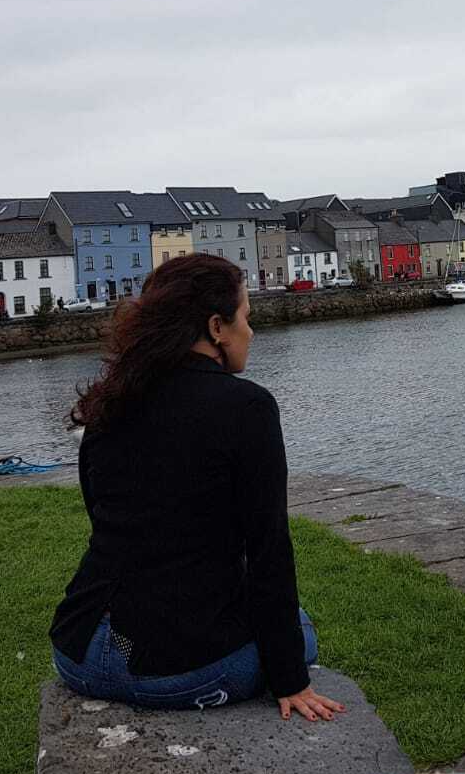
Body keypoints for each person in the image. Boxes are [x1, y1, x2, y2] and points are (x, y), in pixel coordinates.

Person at [49, 254, 344, 722]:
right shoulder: (247, 407)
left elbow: (103, 519)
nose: (251, 332)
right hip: (177, 670)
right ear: (216, 328)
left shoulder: (110, 401)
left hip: (78, 654)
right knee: (299, 627)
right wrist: (290, 679)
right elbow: (268, 550)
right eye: (246, 317)